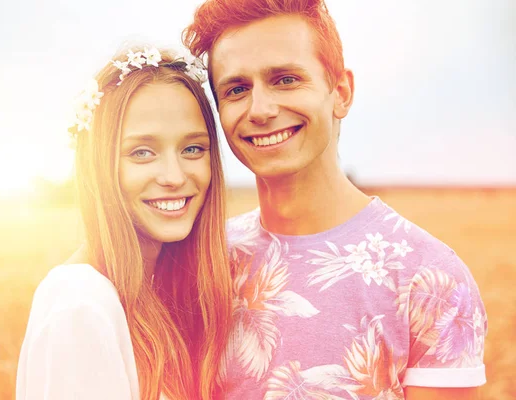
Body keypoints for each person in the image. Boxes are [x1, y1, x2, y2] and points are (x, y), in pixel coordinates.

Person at [183, 1, 487, 399]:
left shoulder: (431, 280)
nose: (261, 109)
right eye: (237, 89)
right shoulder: (203, 263)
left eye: (286, 79)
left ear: (341, 93)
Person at [16, 47, 232, 400]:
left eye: (192, 148)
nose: (174, 176)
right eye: (141, 153)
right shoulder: (80, 306)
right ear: (98, 164)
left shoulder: (157, 291)